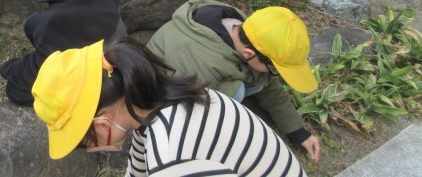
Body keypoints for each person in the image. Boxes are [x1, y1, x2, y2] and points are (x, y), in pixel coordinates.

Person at [32, 37, 307, 176]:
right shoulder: (159, 106)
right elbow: (137, 169)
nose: (92, 148)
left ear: (101, 123)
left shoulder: (172, 156)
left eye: (86, 142)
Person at [146, 0, 321, 163]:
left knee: (260, 80)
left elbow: (269, 85)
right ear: (249, 54)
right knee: (238, 90)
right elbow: (191, 114)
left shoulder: (246, 29)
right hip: (169, 89)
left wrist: (297, 131)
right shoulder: (201, 60)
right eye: (275, 69)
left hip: (202, 73)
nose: (276, 74)